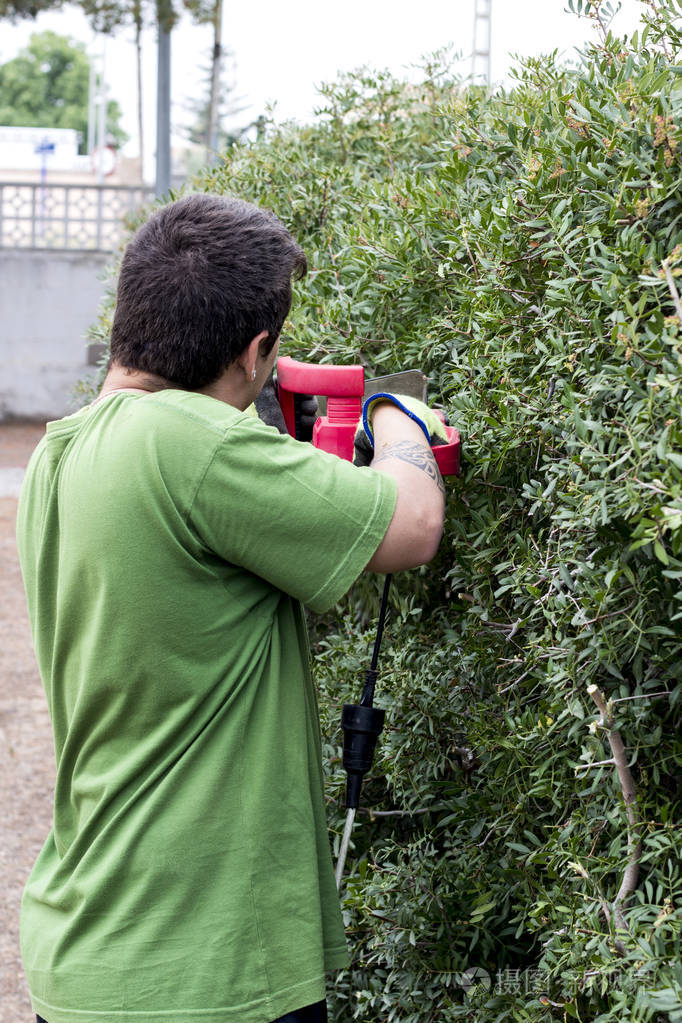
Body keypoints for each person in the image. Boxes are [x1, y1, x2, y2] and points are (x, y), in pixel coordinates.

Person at [16, 194, 446, 1023]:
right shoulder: (194, 445)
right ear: (255, 353)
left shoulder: (63, 451)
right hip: (204, 971)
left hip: (88, 949)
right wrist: (398, 419)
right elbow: (413, 522)